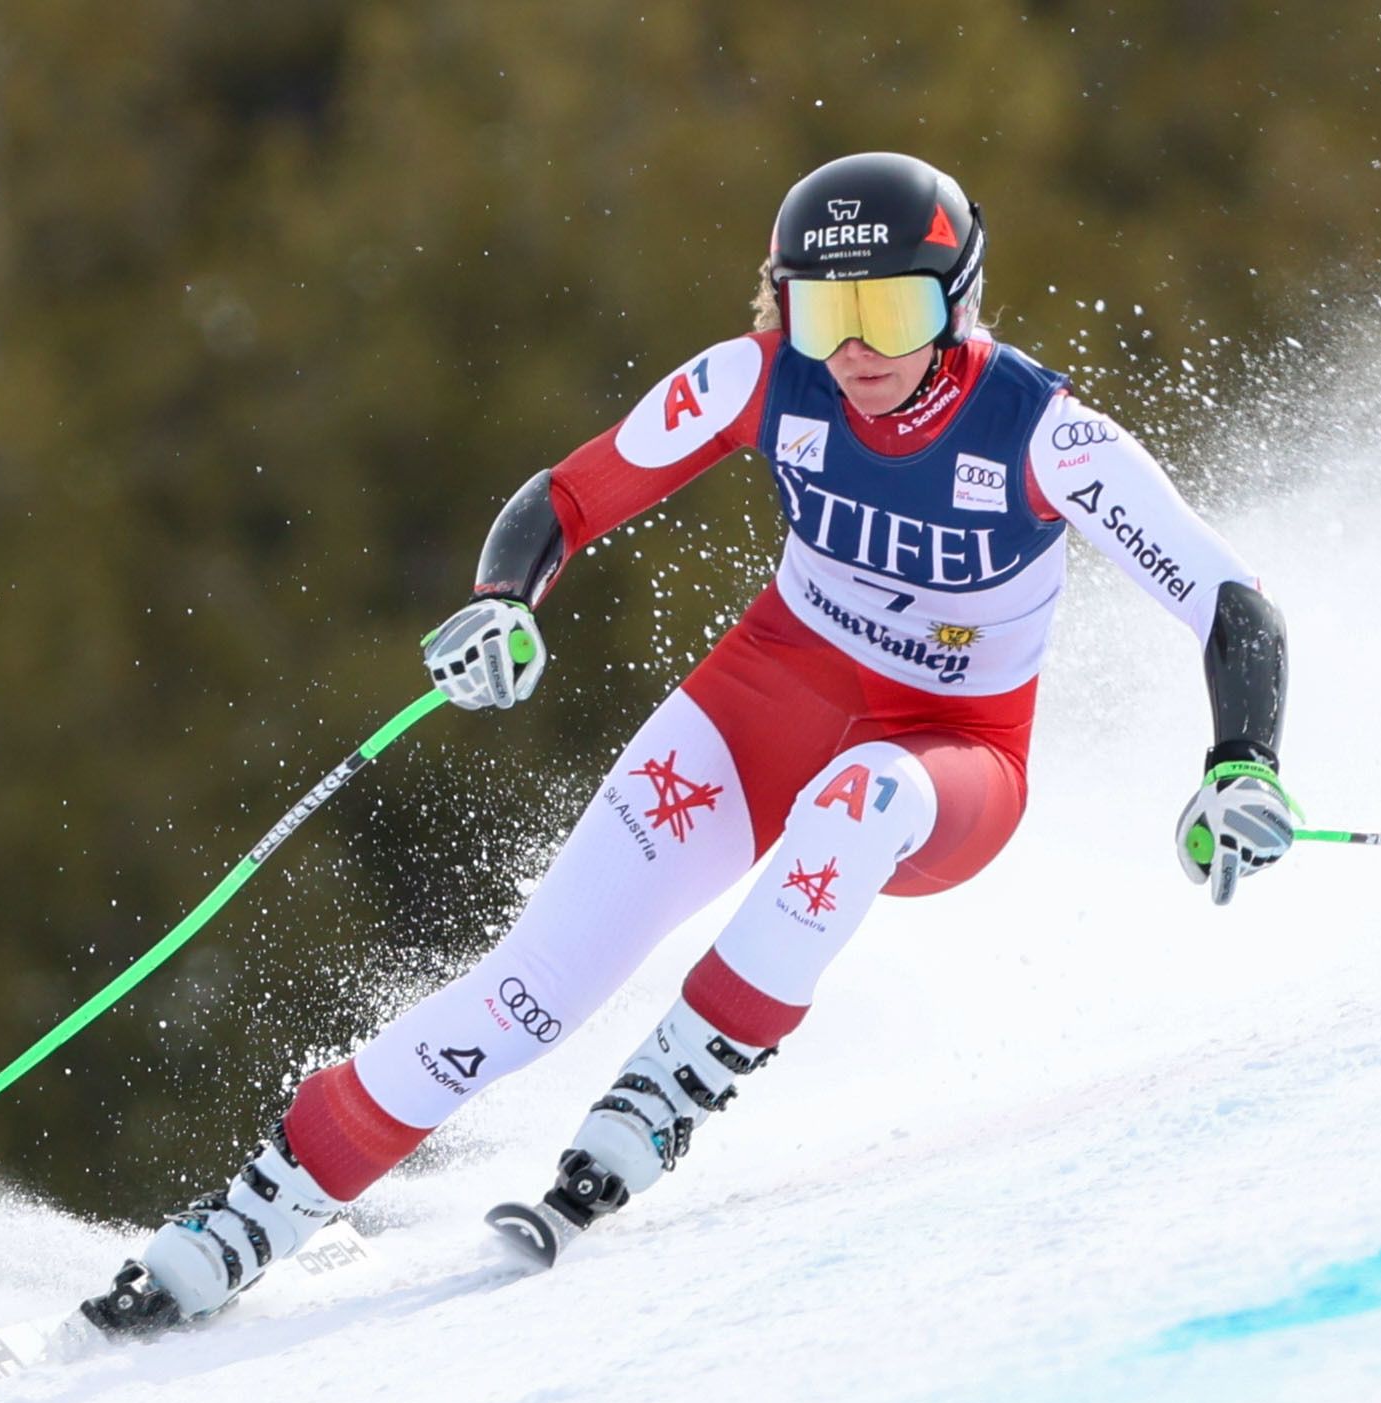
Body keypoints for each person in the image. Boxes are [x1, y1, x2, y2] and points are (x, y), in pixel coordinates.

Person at [81, 152, 1293, 1334]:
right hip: (764, 702)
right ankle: (247, 1216)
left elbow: (1230, 603)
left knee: (860, 799)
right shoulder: (761, 377)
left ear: (959, 301)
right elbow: (564, 497)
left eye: (892, 309)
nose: (859, 349)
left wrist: (1241, 760)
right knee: (525, 990)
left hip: (949, 758)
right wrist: (507, 600)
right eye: (825, 312)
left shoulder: (1044, 434)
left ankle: (667, 1092)